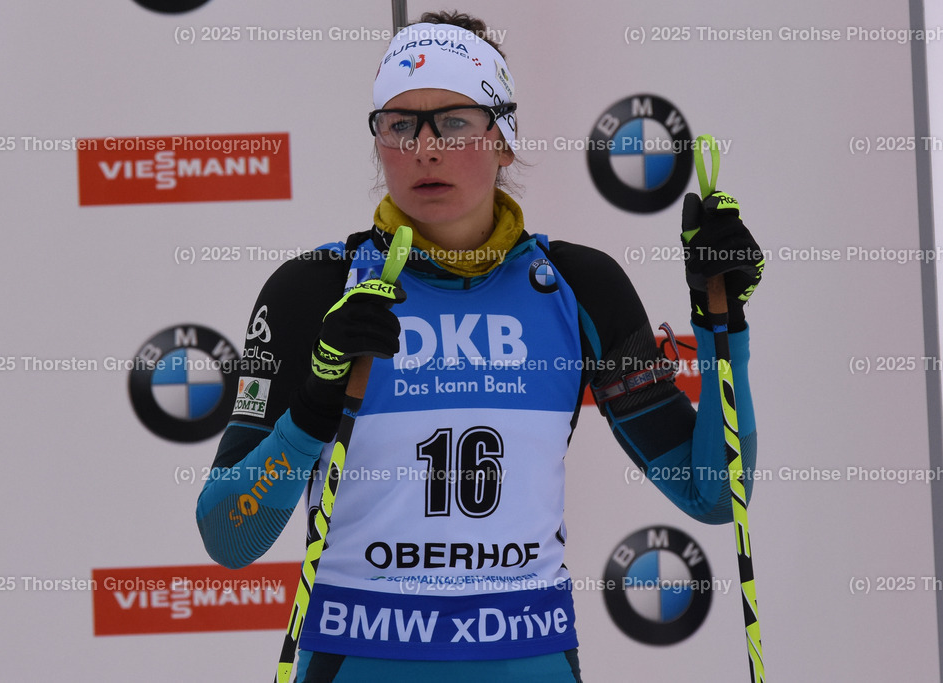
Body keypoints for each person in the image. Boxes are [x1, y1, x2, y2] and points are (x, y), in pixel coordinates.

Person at [196, 11, 762, 683]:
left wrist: (719, 322)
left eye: (455, 121)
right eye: (399, 124)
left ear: (503, 136)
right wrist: (313, 410)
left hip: (529, 658)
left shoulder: (578, 286)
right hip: (361, 658)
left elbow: (715, 496)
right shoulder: (316, 291)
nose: (424, 149)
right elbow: (228, 536)